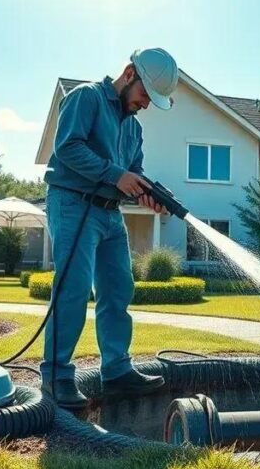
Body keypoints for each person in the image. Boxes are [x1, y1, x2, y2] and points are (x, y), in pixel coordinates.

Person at [41, 48, 179, 408]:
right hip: (73, 203)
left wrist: (149, 193)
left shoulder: (134, 128)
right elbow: (67, 147)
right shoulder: (85, 98)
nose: (146, 104)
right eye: (145, 95)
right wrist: (116, 175)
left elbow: (133, 171)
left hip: (109, 213)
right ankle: (56, 376)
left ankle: (117, 372)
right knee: (72, 289)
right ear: (129, 73)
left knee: (118, 289)